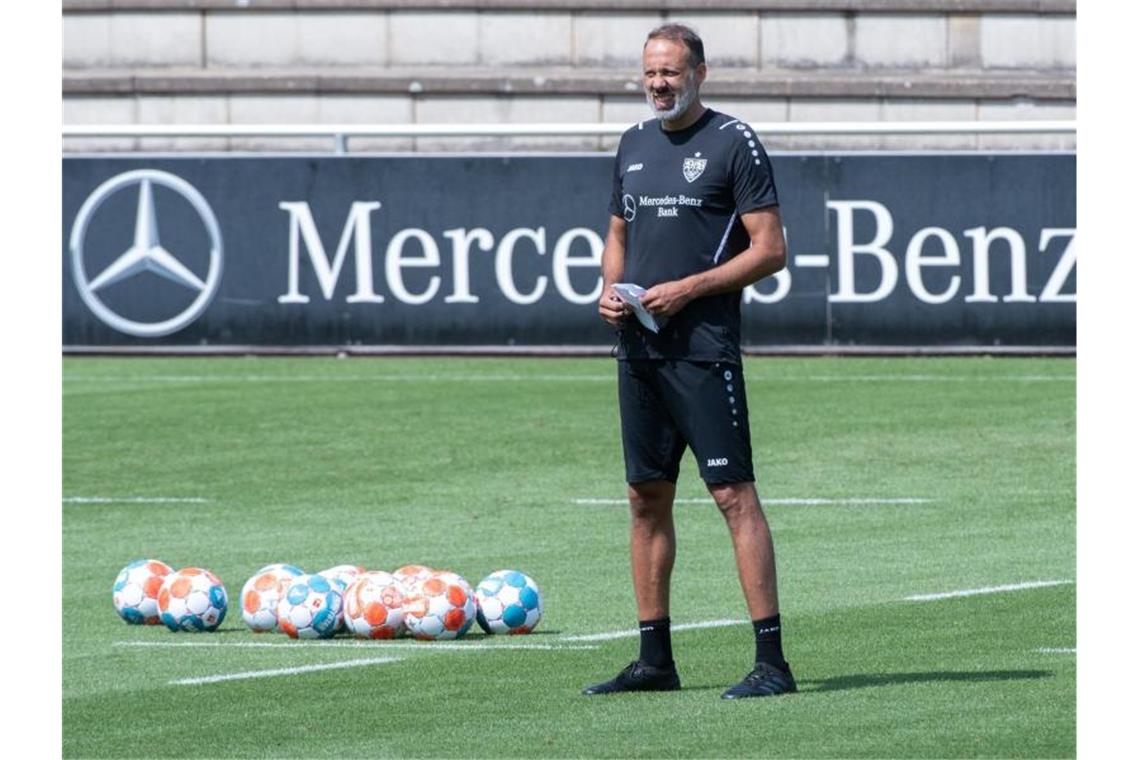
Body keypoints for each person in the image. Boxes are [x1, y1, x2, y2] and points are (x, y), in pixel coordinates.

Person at [582, 23, 795, 700]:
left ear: (700, 72)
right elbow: (618, 232)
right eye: (649, 74)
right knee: (646, 498)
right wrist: (610, 289)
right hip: (639, 349)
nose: (658, 85)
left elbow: (770, 250)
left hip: (703, 351)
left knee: (733, 496)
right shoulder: (634, 143)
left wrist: (690, 289)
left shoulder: (734, 142)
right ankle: (655, 660)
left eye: (670, 72)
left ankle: (772, 663)